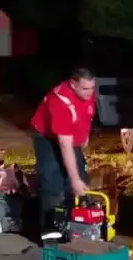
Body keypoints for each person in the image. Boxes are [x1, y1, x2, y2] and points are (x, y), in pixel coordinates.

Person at [28, 67, 98, 242]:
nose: (90, 92)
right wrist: (73, 179)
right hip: (47, 136)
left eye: (92, 88)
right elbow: (65, 146)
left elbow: (88, 113)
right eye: (85, 89)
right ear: (73, 85)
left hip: (71, 135)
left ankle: (74, 226)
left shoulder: (88, 92)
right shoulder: (60, 102)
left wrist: (85, 135)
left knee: (80, 177)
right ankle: (51, 232)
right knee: (53, 179)